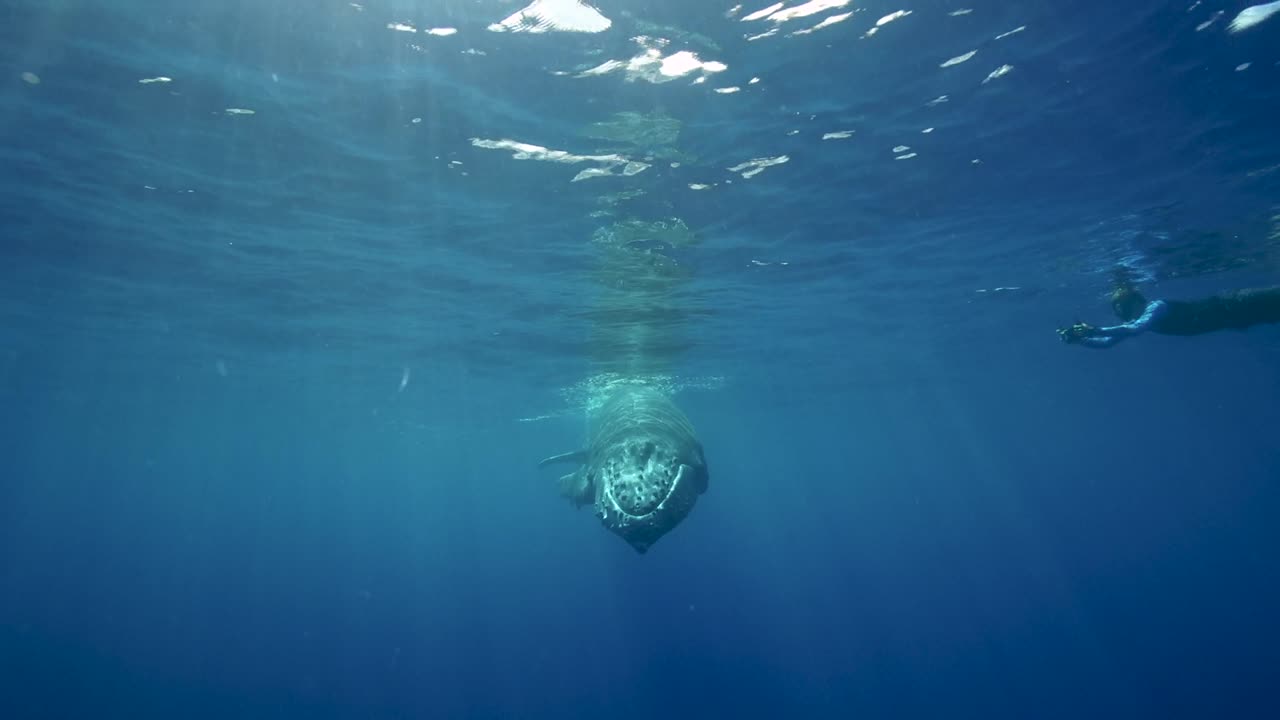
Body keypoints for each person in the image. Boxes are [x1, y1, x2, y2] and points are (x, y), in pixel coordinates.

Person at [1058, 282, 1280, 348]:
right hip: (1240, 318)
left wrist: (1094, 329)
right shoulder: (1139, 321)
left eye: (1121, 308)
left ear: (1134, 300)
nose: (1121, 314)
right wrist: (1081, 339)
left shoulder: (1156, 308)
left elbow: (1134, 330)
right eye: (1117, 310)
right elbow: (1107, 343)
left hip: (1238, 302)